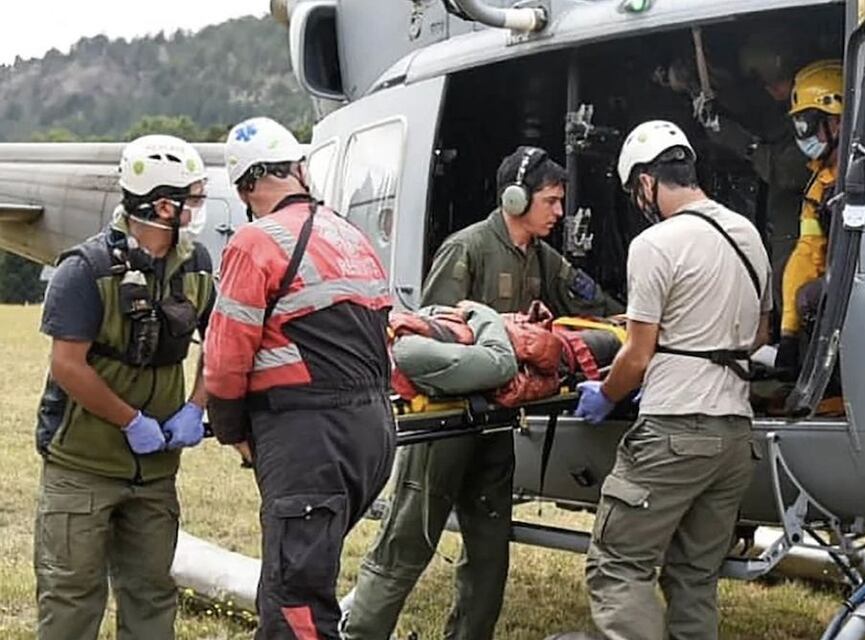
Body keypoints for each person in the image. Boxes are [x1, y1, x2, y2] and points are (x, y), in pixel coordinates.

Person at [344, 146, 623, 640]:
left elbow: (593, 303)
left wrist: (628, 325)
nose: (560, 212)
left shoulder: (540, 258)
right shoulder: (467, 249)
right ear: (516, 199)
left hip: (496, 423)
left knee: (490, 548)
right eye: (551, 201)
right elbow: (429, 336)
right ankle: (361, 632)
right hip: (447, 422)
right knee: (409, 540)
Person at [574, 120, 772, 640]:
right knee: (694, 575)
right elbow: (759, 334)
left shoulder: (655, 244)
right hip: (735, 436)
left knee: (618, 564)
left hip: (674, 430)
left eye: (634, 191)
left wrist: (606, 393)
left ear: (646, 181)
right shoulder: (747, 234)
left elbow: (637, 356)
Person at [204, 116, 396, 639]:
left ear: (245, 188)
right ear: (299, 170)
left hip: (311, 436)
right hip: (373, 431)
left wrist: (231, 428)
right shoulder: (349, 235)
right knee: (294, 573)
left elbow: (225, 357)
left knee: (296, 600)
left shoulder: (256, 241)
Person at [34, 135, 214, 640]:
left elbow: (221, 343)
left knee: (152, 595)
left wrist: (196, 406)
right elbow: (68, 365)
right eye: (193, 197)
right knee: (71, 599)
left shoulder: (197, 266)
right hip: (82, 466)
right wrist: (131, 421)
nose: (199, 206)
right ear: (162, 205)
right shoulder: (85, 269)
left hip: (156, 472)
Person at [688, 32, 812, 330]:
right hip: (780, 222)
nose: (771, 89)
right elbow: (751, 110)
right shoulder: (775, 109)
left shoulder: (812, 126)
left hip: (798, 227)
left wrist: (742, 143)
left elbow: (787, 170)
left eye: (776, 82)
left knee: (790, 283)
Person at [773, 60, 844, 380]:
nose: (803, 134)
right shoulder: (821, 182)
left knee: (813, 296)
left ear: (837, 120)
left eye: (807, 123)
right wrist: (788, 332)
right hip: (841, 288)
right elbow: (807, 252)